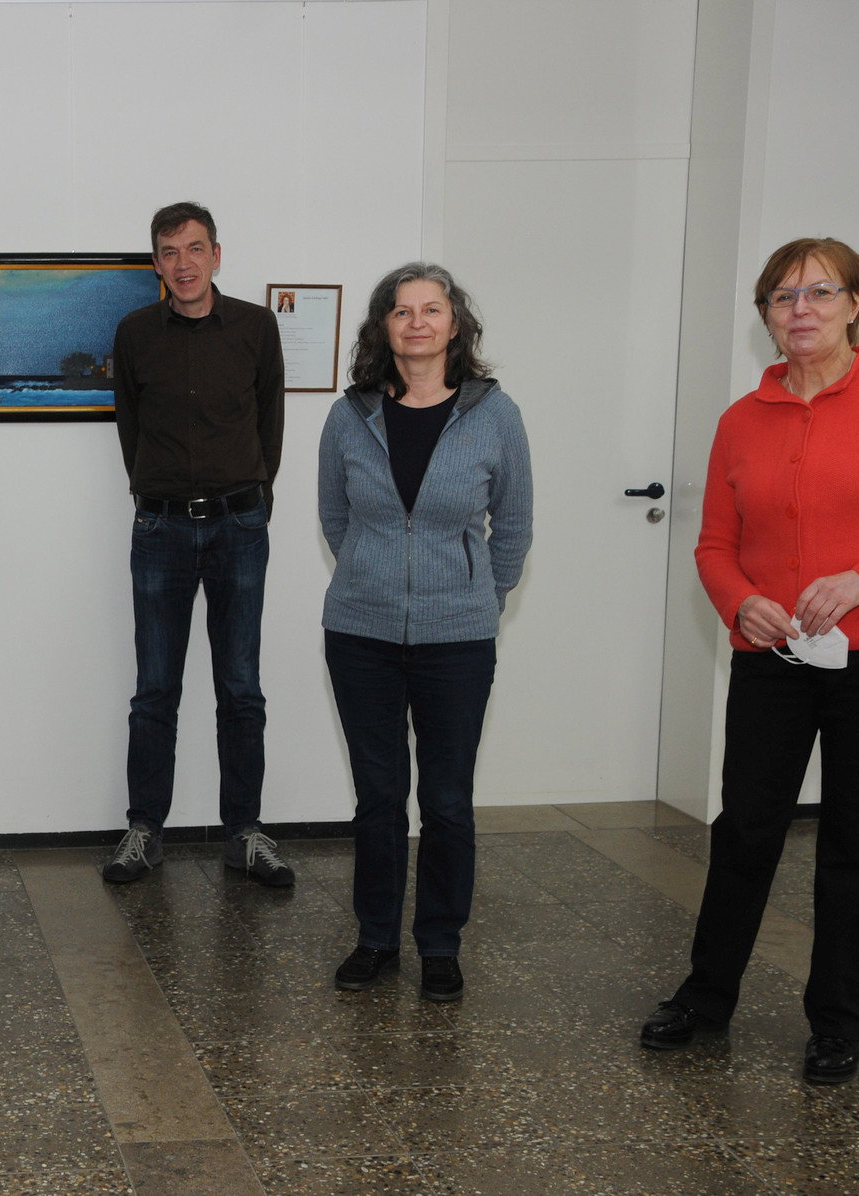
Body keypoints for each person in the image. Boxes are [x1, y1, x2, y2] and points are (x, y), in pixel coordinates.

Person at [640, 237, 859, 1084]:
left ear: (856, 303)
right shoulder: (744, 418)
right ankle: (707, 999)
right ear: (767, 318)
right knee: (745, 829)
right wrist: (738, 599)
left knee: (856, 841)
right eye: (782, 299)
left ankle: (839, 1021)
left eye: (819, 293)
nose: (801, 311)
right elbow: (715, 543)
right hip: (771, 654)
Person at [318, 264, 531, 1003]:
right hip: (360, 633)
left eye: (431, 309)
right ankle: (374, 937)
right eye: (402, 311)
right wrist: (374, 579)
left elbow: (515, 525)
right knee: (379, 796)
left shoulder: (495, 414)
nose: (417, 322)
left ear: (455, 324)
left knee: (445, 799)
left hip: (458, 641)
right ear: (384, 327)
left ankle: (439, 943)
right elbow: (334, 518)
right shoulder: (350, 415)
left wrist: (477, 596)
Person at [103, 201, 293, 887]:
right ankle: (144, 830)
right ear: (155, 263)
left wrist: (255, 500)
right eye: (169, 252)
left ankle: (245, 832)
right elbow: (130, 428)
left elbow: (270, 421)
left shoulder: (255, 327)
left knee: (241, 688)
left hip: (240, 527)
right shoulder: (133, 334)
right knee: (154, 689)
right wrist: (154, 495)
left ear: (217, 254)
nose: (182, 263)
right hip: (159, 529)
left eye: (194, 249)